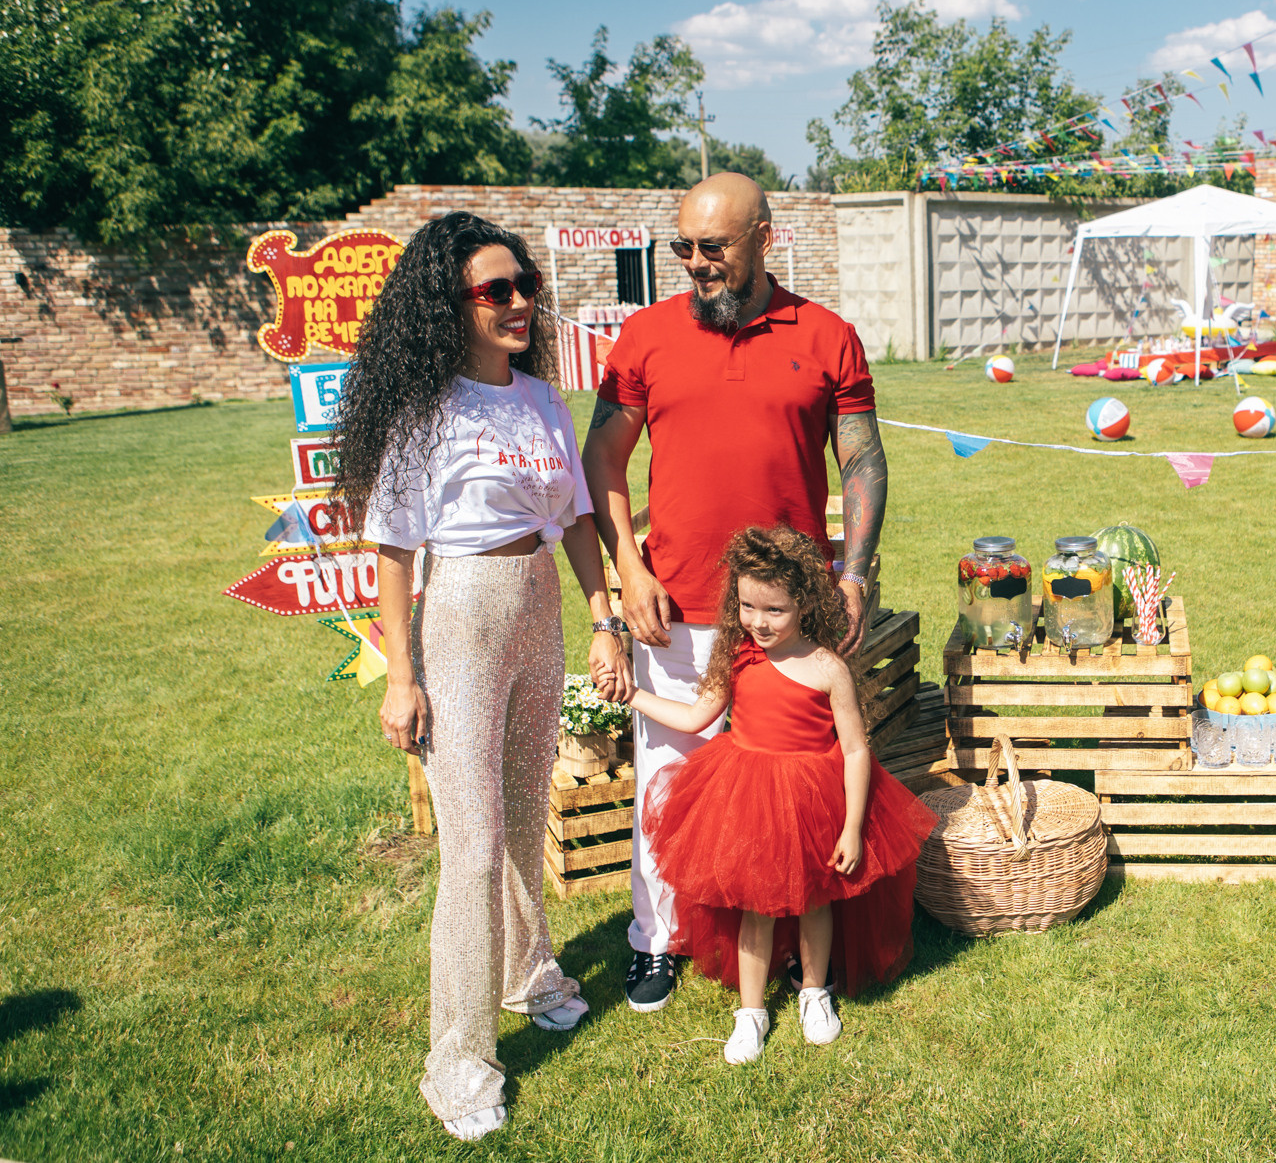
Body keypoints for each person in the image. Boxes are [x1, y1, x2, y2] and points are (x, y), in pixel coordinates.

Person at [333, 211, 629, 1142]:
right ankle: (457, 1057)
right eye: (493, 291)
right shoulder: (426, 410)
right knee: (468, 847)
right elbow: (391, 550)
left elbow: (578, 516)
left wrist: (603, 616)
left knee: (524, 806)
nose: (517, 303)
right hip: (458, 611)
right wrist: (400, 674)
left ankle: (528, 971)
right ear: (447, 307)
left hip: (537, 602)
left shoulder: (541, 398)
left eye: (523, 286)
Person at [582, 172, 888, 1014]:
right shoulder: (644, 335)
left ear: (764, 237)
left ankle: (794, 940)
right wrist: (629, 568)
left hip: (791, 616)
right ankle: (658, 938)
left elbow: (860, 459)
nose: (694, 263)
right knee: (668, 774)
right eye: (680, 246)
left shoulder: (827, 335)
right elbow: (601, 456)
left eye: (712, 246)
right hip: (674, 600)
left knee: (793, 784)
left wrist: (854, 571)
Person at [628, 526, 936, 1063]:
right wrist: (634, 695)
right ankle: (750, 1014)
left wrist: (852, 826)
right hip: (749, 797)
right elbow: (699, 715)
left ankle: (814, 993)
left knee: (817, 903)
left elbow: (857, 751)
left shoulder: (827, 668)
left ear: (804, 602)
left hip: (812, 803)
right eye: (747, 606)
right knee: (756, 908)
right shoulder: (740, 657)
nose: (758, 622)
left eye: (774, 610)